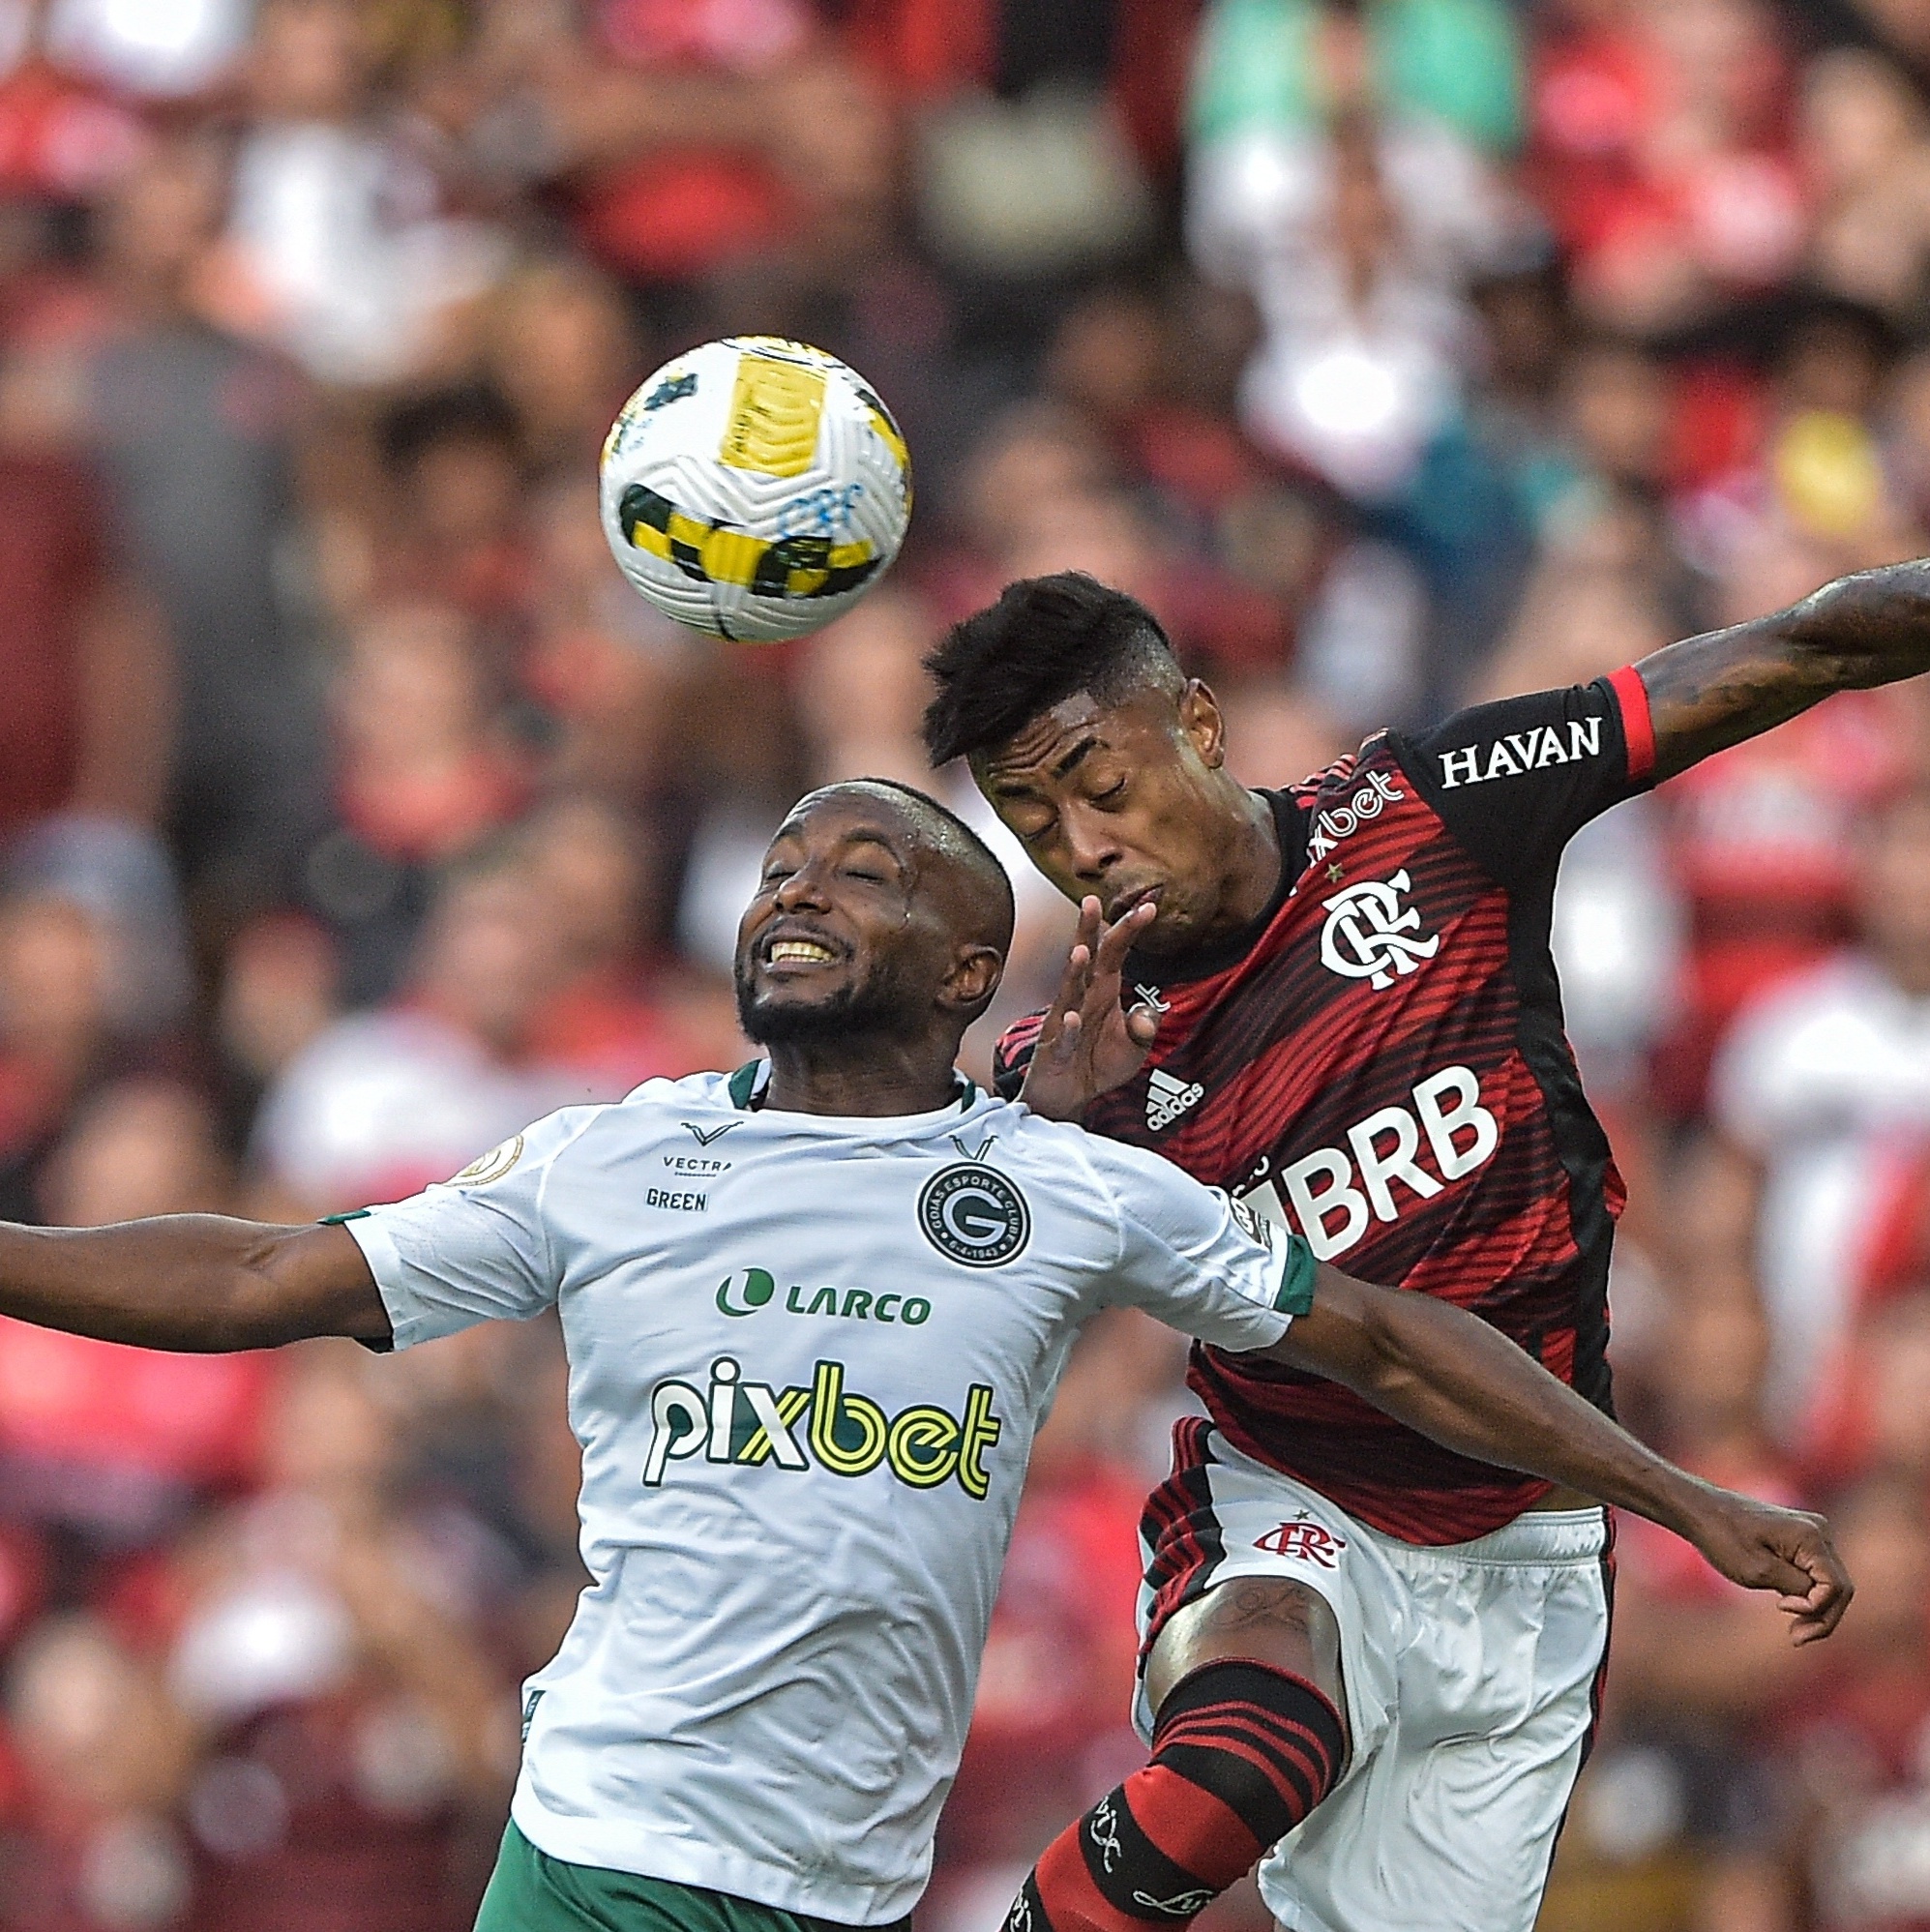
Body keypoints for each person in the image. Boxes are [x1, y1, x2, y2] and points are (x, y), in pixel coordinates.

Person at [0, 779, 1847, 1932]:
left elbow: (1390, 1344)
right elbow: (267, 1276)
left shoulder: (1056, 1190)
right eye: (784, 868)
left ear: (971, 969)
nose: (797, 892)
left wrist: (1675, 1493)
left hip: (857, 1882)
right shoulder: (614, 1152)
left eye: (866, 871)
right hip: (605, 1852)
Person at [921, 564, 1930, 1932]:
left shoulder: (1429, 810)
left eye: (1101, 783)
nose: (1082, 843)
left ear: (1199, 723)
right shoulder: (1078, 1059)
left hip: (1528, 1542)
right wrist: (1044, 1133)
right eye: (1033, 819)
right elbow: (937, 1324)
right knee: (1242, 1749)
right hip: (1293, 1499)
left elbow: (1795, 648)